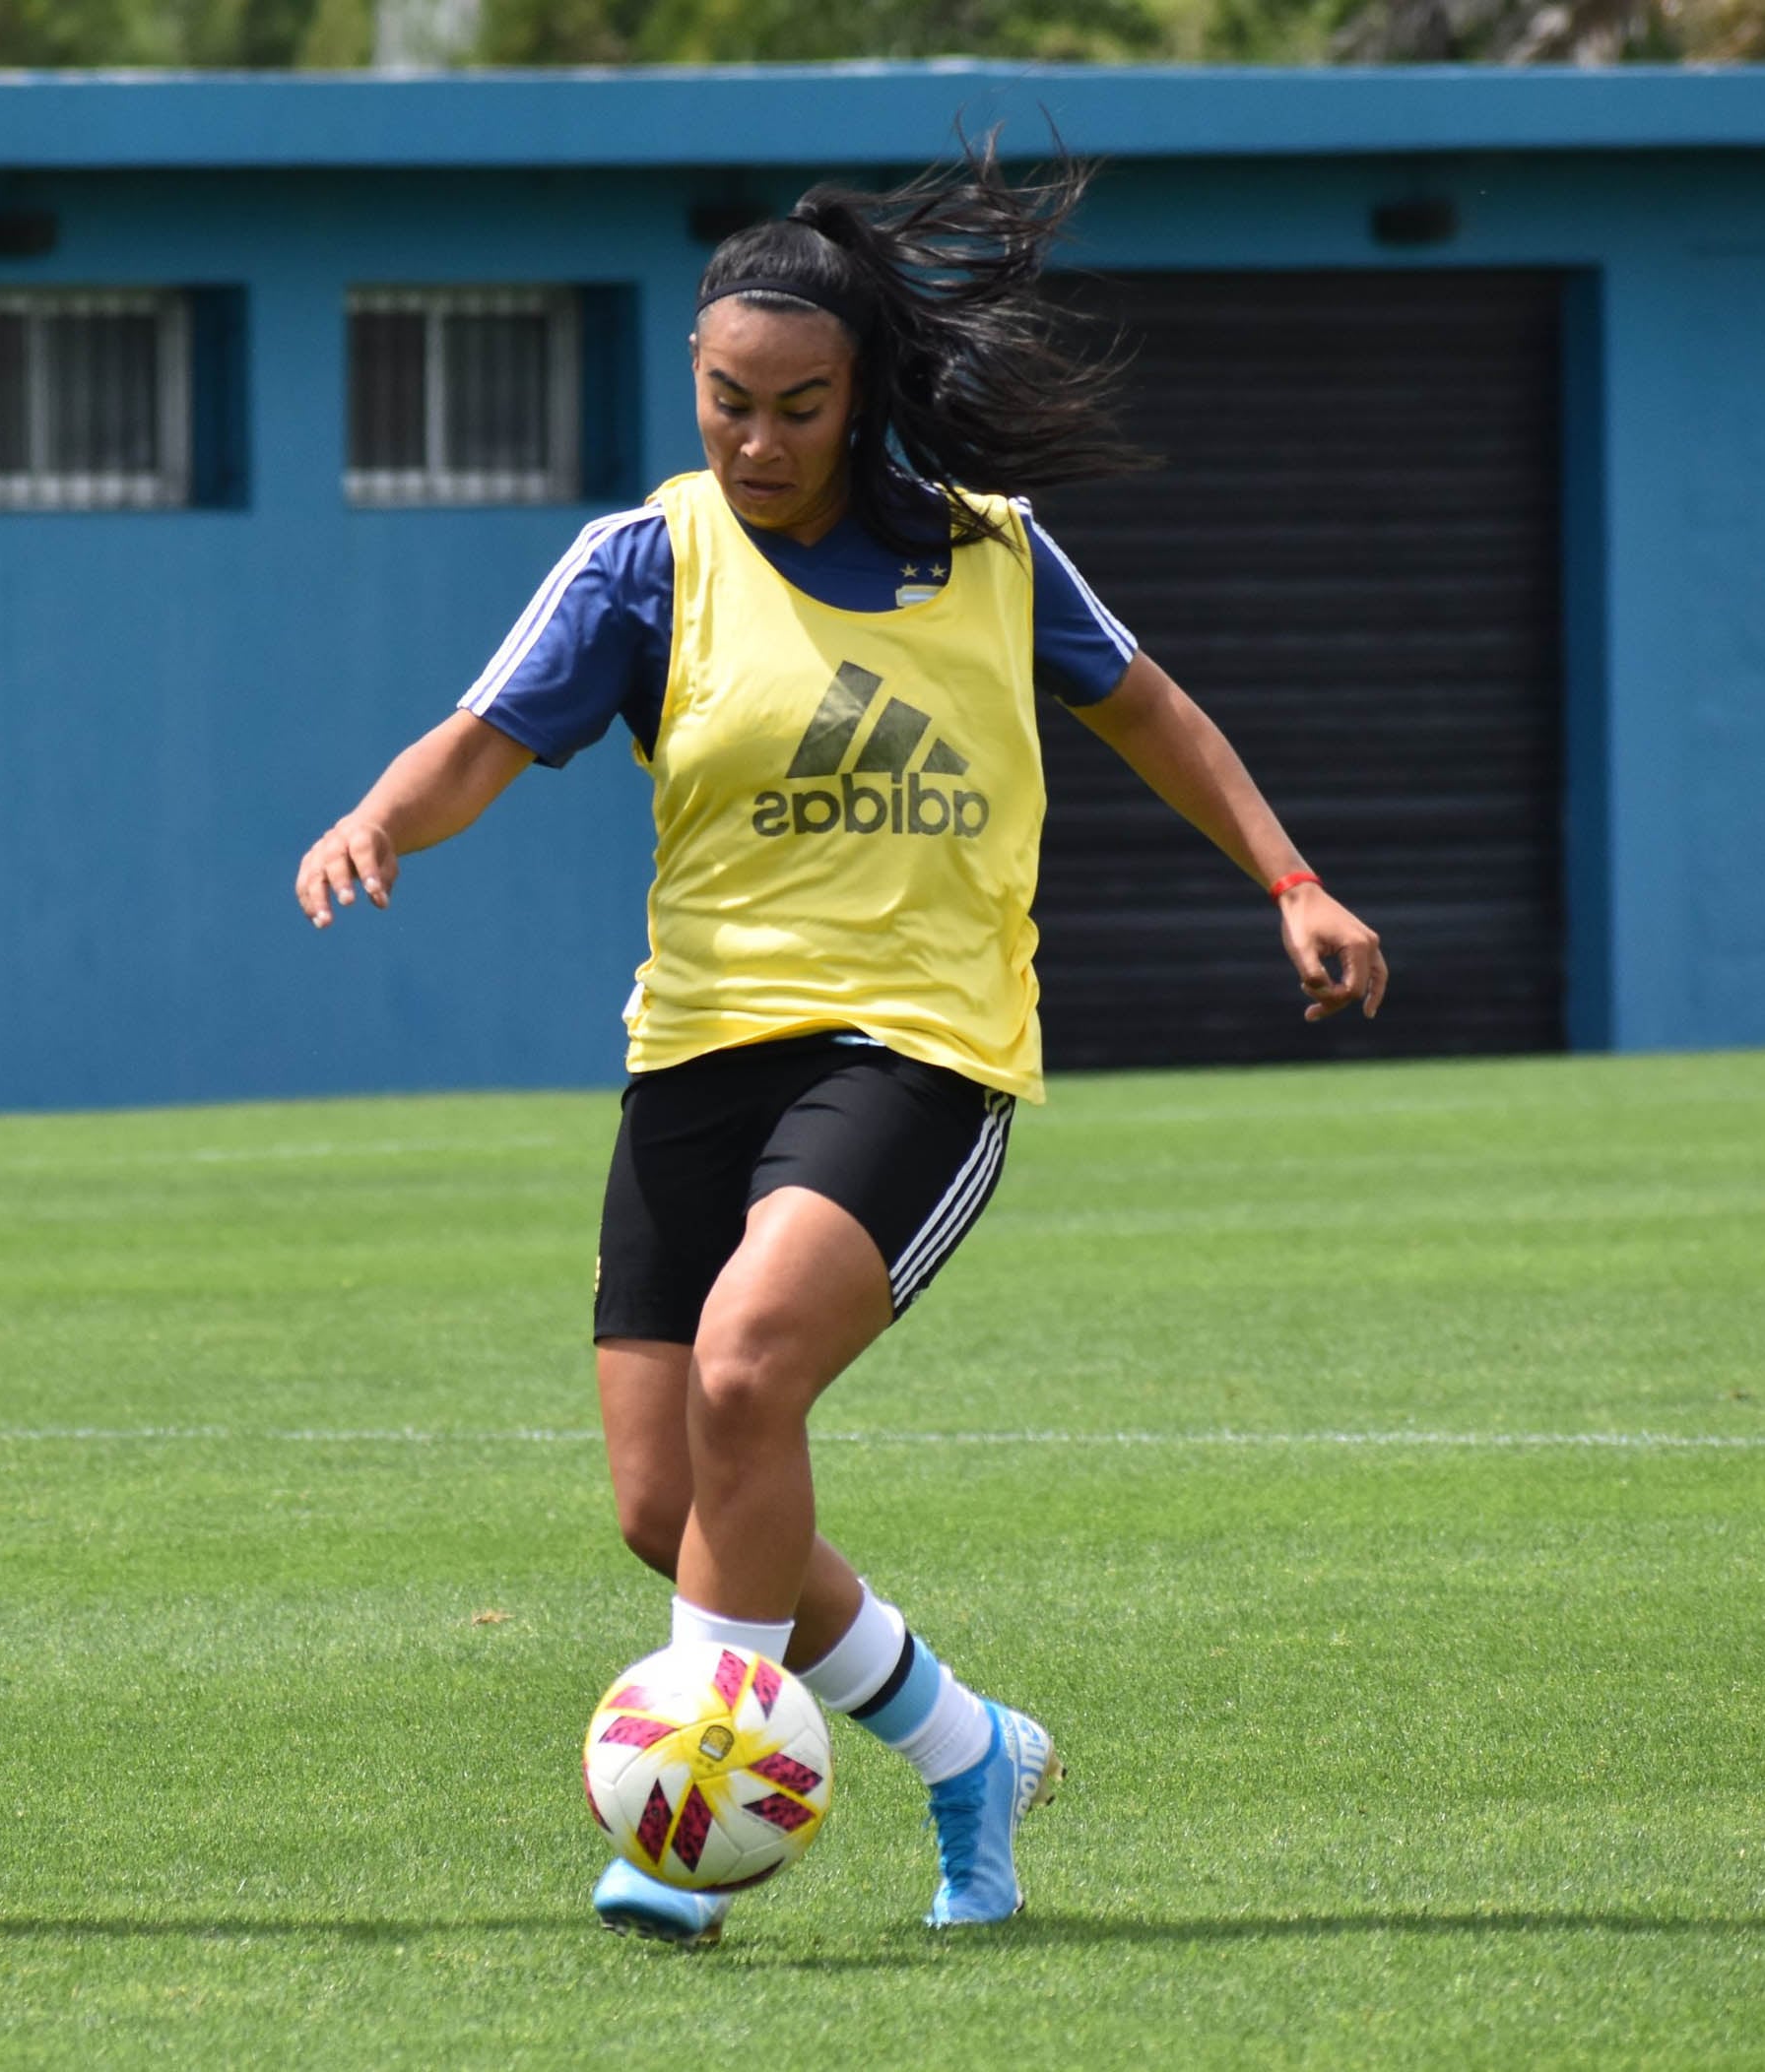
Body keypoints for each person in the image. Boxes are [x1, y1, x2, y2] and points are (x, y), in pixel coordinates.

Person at [294, 148, 1385, 1942]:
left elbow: (1153, 713)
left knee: (746, 1375)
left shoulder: (988, 549)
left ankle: (683, 1844)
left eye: (798, 407)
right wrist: (382, 822)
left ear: (859, 391)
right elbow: (481, 739)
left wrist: (1291, 878)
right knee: (672, 1503)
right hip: (694, 1061)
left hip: (919, 1050)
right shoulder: (646, 558)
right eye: (727, 402)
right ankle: (972, 1752)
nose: (757, 441)